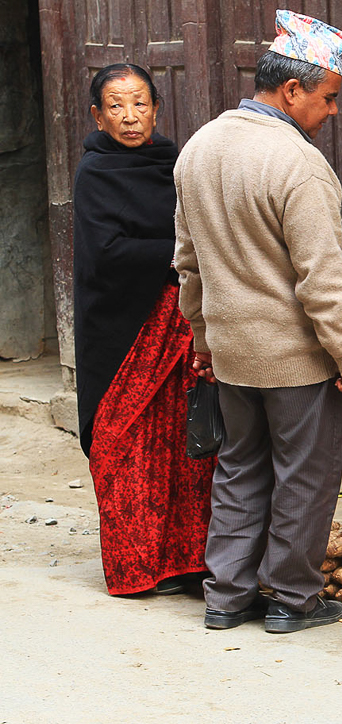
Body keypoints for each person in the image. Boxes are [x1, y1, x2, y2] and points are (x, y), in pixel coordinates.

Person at [174, 10, 342, 633]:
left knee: (239, 470)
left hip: (233, 355)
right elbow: (324, 282)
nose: (332, 112)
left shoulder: (199, 147)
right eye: (329, 98)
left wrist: (204, 340)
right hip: (296, 361)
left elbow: (188, 265)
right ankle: (291, 598)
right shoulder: (299, 165)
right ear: (292, 90)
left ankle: (226, 596)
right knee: (304, 480)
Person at [72, 63, 215, 597]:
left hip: (179, 323)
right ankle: (135, 568)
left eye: (139, 104)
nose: (130, 117)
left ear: (156, 109)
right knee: (122, 443)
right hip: (121, 331)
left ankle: (187, 564)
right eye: (116, 106)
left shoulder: (176, 166)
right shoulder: (95, 174)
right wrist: (180, 256)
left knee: (186, 446)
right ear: (98, 116)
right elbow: (106, 255)